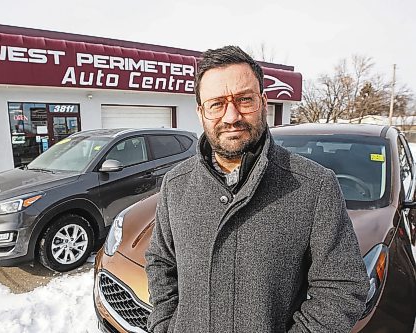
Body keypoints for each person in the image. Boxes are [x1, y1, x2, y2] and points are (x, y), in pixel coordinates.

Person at [145, 46, 369, 333]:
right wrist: (165, 325)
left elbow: (342, 287)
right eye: (216, 104)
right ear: (201, 112)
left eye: (244, 100)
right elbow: (160, 261)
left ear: (263, 102)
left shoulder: (314, 186)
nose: (231, 116)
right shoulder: (176, 184)